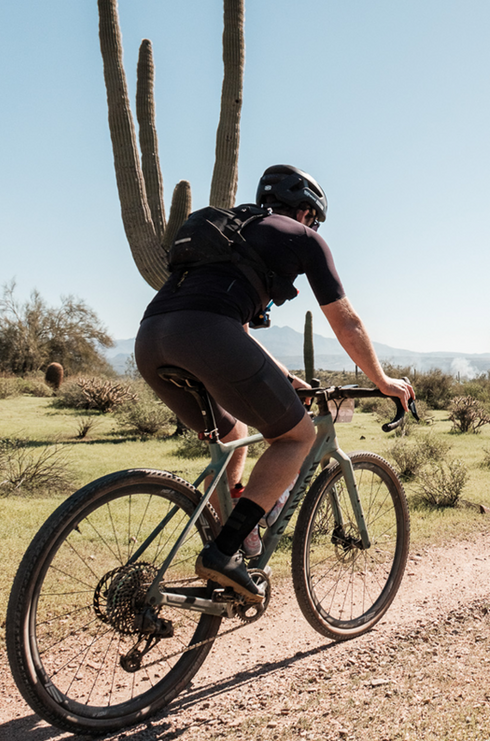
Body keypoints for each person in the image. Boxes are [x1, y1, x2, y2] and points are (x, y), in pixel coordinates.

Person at [135, 164, 415, 602]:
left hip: (151, 338)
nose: (313, 225)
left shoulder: (231, 231)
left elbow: (239, 332)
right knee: (295, 438)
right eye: (315, 219)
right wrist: (381, 380)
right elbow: (346, 322)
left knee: (231, 432)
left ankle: (231, 534)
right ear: (306, 212)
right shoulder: (303, 238)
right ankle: (223, 553)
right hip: (208, 335)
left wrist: (286, 379)